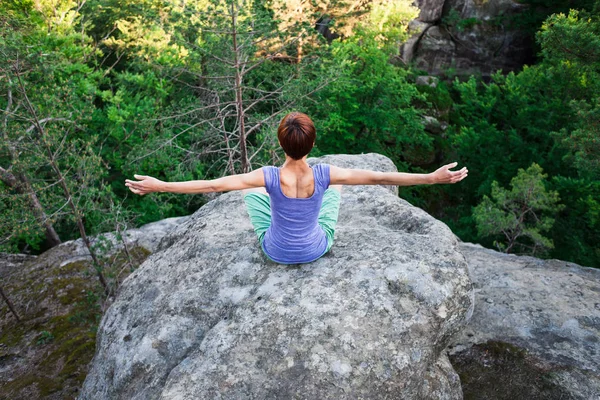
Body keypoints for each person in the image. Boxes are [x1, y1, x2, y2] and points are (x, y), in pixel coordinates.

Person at [125, 112, 468, 264]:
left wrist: (161, 186)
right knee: (335, 192)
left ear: (280, 143)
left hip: (275, 250)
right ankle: (313, 231)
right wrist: (431, 178)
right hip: (315, 248)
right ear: (312, 142)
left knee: (248, 192)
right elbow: (380, 178)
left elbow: (213, 184)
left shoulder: (269, 176)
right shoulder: (324, 173)